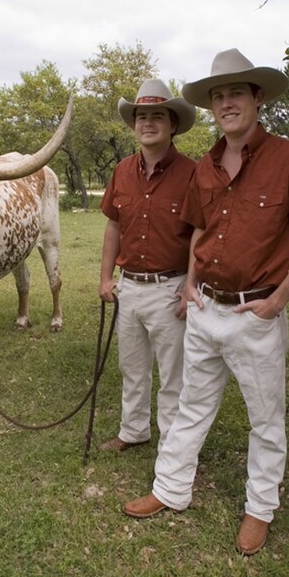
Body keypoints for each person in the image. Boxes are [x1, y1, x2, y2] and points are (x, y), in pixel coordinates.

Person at [122, 49, 289, 559]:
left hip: (254, 313)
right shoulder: (209, 164)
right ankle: (170, 488)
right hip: (204, 309)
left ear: (258, 98)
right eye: (218, 95)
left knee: (266, 419)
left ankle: (259, 509)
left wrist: (278, 299)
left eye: (236, 92)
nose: (226, 103)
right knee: (193, 405)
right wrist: (192, 284)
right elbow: (200, 228)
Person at [98, 79, 197, 452]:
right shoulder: (122, 170)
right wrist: (106, 276)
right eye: (141, 116)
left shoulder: (192, 173)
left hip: (170, 287)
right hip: (130, 286)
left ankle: (172, 444)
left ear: (173, 124)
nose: (148, 123)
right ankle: (133, 430)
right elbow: (113, 225)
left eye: (157, 115)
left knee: (173, 374)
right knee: (132, 367)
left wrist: (191, 285)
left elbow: (200, 232)